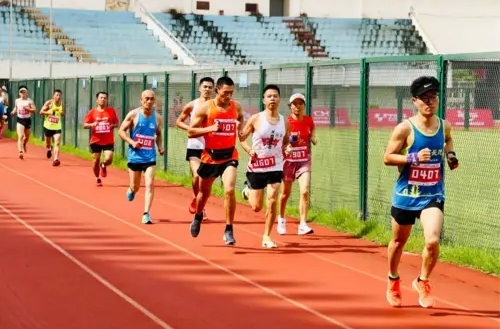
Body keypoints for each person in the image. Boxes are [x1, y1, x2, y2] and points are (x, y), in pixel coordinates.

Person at [383, 76, 459, 309]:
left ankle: (422, 280)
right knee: (398, 241)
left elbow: (448, 140)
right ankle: (393, 279)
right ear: (414, 101)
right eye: (424, 98)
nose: (430, 102)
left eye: (433, 97)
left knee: (433, 240)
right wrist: (412, 157)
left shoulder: (444, 125)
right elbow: (387, 157)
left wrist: (450, 155)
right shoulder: (405, 128)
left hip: (432, 195)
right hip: (406, 195)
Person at [187, 76, 245, 245]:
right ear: (217, 90)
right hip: (210, 157)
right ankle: (198, 216)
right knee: (203, 194)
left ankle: (228, 229)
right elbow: (191, 132)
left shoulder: (236, 107)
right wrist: (210, 128)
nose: (228, 96)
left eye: (231, 93)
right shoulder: (206, 108)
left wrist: (240, 127)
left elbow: (240, 117)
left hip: (230, 156)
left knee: (229, 190)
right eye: (226, 92)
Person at [240, 84, 291, 248]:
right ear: (263, 100)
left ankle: (266, 236)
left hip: (275, 166)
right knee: (256, 207)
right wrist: (249, 149)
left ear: (279, 99)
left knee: (272, 199)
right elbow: (242, 137)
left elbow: (285, 142)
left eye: (275, 96)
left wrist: (287, 148)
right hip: (257, 166)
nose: (272, 99)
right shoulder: (256, 118)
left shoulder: (285, 121)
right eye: (269, 96)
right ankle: (247, 190)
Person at [119, 89, 165, 225]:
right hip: (135, 157)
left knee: (150, 184)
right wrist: (132, 142)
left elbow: (159, 134)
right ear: (141, 100)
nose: (149, 101)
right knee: (136, 186)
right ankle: (131, 189)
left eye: (152, 99)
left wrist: (160, 147)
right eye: (147, 99)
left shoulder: (157, 118)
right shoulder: (133, 115)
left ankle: (146, 213)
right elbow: (121, 131)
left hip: (149, 157)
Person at [276, 93, 316, 236]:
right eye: (294, 103)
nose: (297, 106)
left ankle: (303, 224)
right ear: (290, 106)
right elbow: (281, 140)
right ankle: (281, 218)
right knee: (285, 194)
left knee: (304, 190)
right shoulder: (285, 122)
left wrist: (312, 137)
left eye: (300, 103)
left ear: (304, 105)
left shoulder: (309, 120)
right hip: (288, 161)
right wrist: (287, 146)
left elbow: (311, 130)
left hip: (303, 160)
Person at [176, 77, 214, 219]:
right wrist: (191, 129)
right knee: (197, 175)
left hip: (210, 147)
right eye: (205, 87)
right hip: (194, 146)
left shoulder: (215, 106)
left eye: (210, 87)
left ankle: (200, 202)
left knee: (204, 179)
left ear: (214, 90)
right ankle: (197, 198)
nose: (207, 89)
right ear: (199, 88)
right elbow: (179, 121)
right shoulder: (192, 105)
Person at [83, 92, 119, 186]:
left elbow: (116, 123)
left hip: (108, 140)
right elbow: (85, 125)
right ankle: (97, 177)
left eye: (105, 98)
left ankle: (103, 165)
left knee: (109, 159)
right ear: (97, 100)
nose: (103, 99)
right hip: (96, 140)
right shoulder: (92, 112)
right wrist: (92, 124)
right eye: (101, 97)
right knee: (95, 161)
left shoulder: (111, 111)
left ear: (107, 100)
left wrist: (112, 126)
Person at [10, 85, 36, 159]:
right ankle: (20, 152)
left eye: (24, 92)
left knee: (27, 137)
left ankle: (24, 144)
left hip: (27, 120)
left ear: (27, 93)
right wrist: (13, 112)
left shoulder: (29, 101)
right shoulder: (17, 100)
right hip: (20, 120)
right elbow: (16, 107)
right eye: (21, 92)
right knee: (20, 136)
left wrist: (28, 109)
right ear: (19, 93)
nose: (23, 93)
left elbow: (34, 110)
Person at [40, 89, 64, 166]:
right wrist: (49, 112)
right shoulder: (49, 103)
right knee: (47, 143)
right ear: (53, 96)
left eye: (60, 95)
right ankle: (49, 148)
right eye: (57, 95)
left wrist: (62, 113)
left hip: (57, 127)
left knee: (57, 143)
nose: (58, 97)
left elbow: (63, 114)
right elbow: (41, 112)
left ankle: (55, 159)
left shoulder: (61, 104)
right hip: (48, 126)